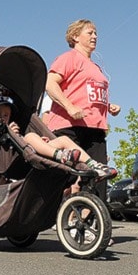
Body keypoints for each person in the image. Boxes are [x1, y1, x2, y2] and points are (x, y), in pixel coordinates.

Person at [45, 19, 121, 199]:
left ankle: (87, 222)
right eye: (90, 33)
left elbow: (89, 93)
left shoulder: (96, 67)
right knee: (66, 177)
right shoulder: (68, 58)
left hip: (95, 129)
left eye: (96, 33)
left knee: (98, 177)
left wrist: (108, 106)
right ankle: (53, 213)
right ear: (75, 36)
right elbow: (49, 83)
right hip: (69, 127)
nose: (95, 36)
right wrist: (70, 107)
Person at [0, 94, 117, 179]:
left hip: (30, 155)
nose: (2, 117)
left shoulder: (15, 128)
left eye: (6, 115)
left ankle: (94, 165)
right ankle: (60, 155)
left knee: (63, 140)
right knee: (30, 136)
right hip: (12, 162)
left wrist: (40, 142)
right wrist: (13, 135)